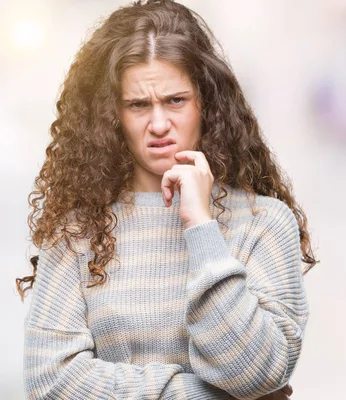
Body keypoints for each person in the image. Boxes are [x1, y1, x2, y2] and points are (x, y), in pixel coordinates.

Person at [16, 1, 317, 399]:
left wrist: (202, 227)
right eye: (139, 105)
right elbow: (51, 383)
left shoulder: (266, 223)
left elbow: (257, 371)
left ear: (205, 103)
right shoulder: (77, 232)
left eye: (175, 100)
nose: (159, 125)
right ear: (112, 115)